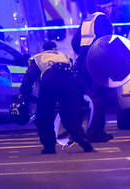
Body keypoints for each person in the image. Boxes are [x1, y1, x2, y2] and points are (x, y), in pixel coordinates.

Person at [20, 41, 93, 154]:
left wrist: (24, 95)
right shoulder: (64, 57)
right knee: (68, 116)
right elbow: (75, 74)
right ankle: (83, 140)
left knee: (44, 116)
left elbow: (28, 79)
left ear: (43, 49)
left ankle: (49, 146)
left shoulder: (38, 58)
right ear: (55, 49)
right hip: (69, 81)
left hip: (50, 81)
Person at [71, 11, 114, 142]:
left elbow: (74, 42)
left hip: (84, 61)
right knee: (99, 98)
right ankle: (96, 133)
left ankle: (82, 131)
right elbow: (106, 42)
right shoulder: (103, 19)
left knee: (87, 98)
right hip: (97, 60)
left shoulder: (87, 20)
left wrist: (84, 54)